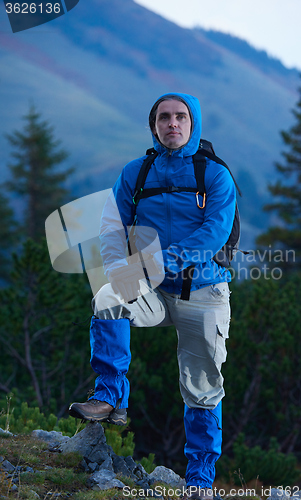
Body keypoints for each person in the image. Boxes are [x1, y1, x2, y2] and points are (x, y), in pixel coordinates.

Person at [69, 93, 236, 497]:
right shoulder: (136, 173)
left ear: (193, 123)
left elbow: (213, 233)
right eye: (164, 118)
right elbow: (112, 227)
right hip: (154, 291)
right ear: (154, 126)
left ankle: (199, 479)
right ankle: (110, 397)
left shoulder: (214, 174)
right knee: (109, 295)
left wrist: (160, 262)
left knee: (201, 388)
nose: (172, 124)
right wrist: (119, 268)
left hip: (204, 292)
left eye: (180, 117)